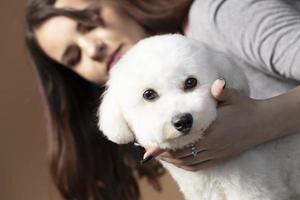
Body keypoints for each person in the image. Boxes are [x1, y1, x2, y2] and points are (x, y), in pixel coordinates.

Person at [24, 0, 300, 199]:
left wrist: (261, 122)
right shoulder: (148, 119)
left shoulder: (220, 13)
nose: (93, 48)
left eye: (90, 22)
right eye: (75, 58)